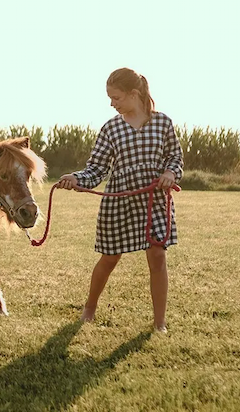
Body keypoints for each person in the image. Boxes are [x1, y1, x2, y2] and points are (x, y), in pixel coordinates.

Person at [55, 67, 183, 333]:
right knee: (110, 258)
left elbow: (175, 158)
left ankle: (160, 323)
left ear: (134, 94)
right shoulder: (111, 128)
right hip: (119, 203)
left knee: (158, 256)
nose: (112, 103)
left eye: (116, 98)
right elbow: (96, 168)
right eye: (110, 98)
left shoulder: (163, 123)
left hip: (154, 201)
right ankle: (90, 306)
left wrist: (170, 173)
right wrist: (77, 179)